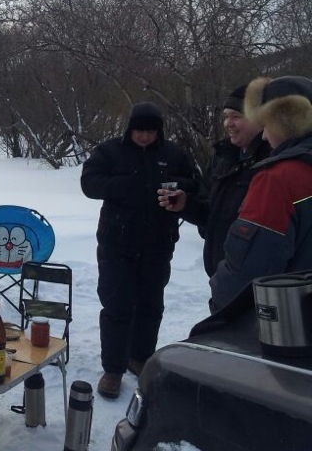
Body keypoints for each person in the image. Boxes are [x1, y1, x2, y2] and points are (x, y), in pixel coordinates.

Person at [81, 101, 196, 399]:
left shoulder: (173, 153)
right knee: (117, 305)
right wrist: (128, 184)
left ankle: (140, 357)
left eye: (150, 131)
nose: (144, 136)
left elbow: (194, 183)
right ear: (129, 129)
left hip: (159, 243)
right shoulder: (109, 151)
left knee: (150, 305)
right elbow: (89, 184)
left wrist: (174, 186)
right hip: (116, 243)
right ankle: (113, 368)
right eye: (139, 131)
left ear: (159, 131)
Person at [209, 75, 312, 312]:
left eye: (266, 125)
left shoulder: (279, 179)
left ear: (286, 123)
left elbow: (249, 269)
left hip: (289, 318)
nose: (264, 136)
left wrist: (220, 302)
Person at [159, 85, 272, 280]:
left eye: (236, 116)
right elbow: (213, 215)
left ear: (260, 119)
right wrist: (186, 205)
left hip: (258, 278)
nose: (228, 123)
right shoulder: (223, 158)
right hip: (222, 274)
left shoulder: (272, 161)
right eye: (226, 116)